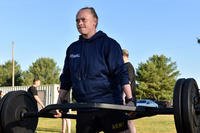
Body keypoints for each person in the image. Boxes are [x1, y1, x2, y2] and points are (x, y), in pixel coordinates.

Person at [55, 7, 135, 133]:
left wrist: (130, 100)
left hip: (110, 106)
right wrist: (59, 102)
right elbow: (66, 79)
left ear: (95, 21)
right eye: (77, 21)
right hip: (84, 108)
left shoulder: (109, 44)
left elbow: (121, 73)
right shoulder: (72, 49)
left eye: (83, 19)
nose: (79, 23)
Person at [122, 49, 137, 133]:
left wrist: (123, 97)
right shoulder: (127, 66)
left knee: (129, 121)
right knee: (127, 121)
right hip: (128, 98)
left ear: (123, 56)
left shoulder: (128, 66)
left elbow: (127, 82)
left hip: (129, 99)